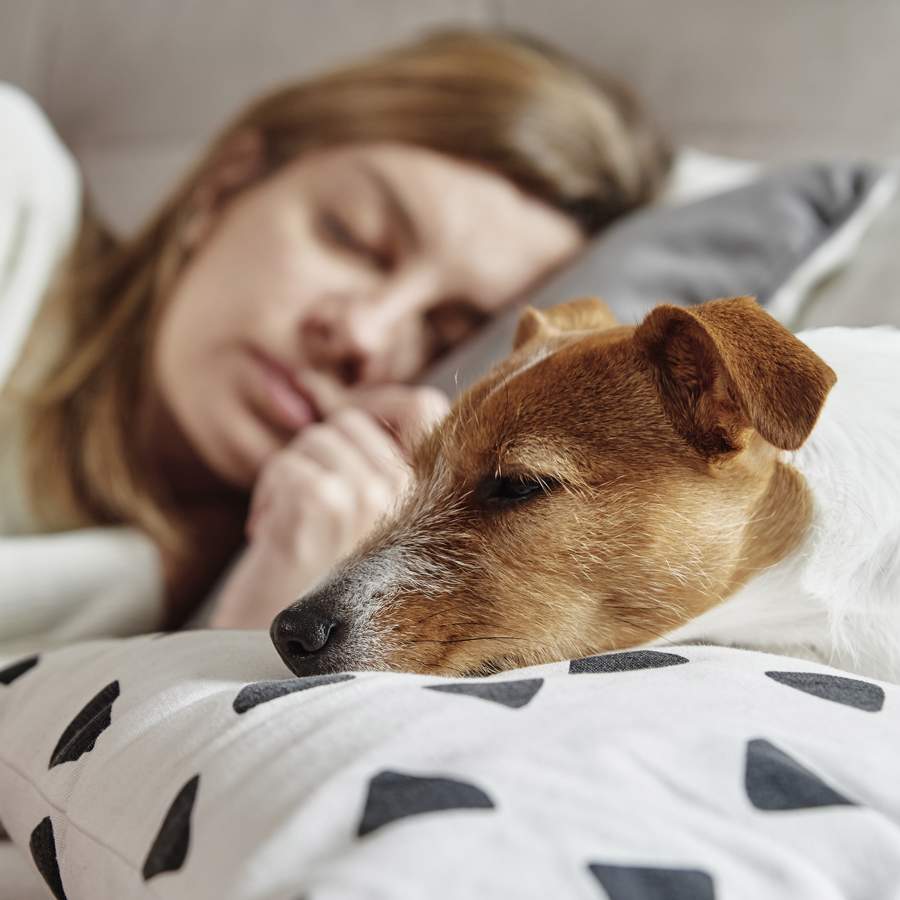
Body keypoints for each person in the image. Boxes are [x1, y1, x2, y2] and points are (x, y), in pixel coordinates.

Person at [0, 29, 671, 656]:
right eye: (353, 236)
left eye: (451, 332)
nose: (364, 334)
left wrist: (261, 624)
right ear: (225, 186)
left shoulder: (227, 579)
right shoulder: (16, 186)